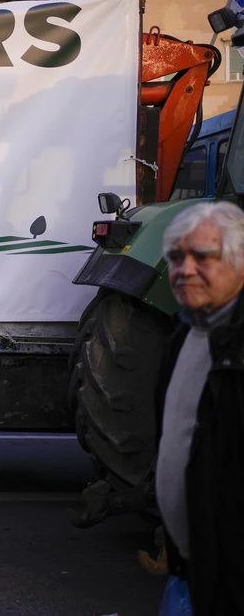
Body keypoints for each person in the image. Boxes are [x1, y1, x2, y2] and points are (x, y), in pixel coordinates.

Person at [155, 201, 244, 613]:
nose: (185, 269)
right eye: (176, 257)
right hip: (192, 569)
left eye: (202, 257)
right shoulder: (182, 336)